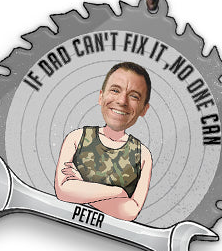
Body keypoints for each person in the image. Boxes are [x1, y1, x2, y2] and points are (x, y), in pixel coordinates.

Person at [54, 62, 153, 221]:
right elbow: (63, 190)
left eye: (134, 96)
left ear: (144, 109)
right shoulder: (76, 138)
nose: (122, 101)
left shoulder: (143, 156)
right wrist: (118, 193)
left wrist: (80, 187)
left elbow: (130, 211)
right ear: (101, 96)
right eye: (115, 90)